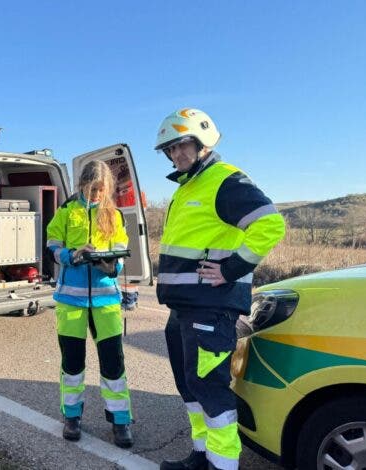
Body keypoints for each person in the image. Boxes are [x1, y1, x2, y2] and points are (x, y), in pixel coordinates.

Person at [154, 109, 285, 470]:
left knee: (211, 392)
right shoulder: (188, 186)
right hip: (184, 308)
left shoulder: (224, 180)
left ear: (202, 142)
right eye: (170, 149)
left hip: (211, 308)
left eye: (182, 145)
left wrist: (231, 269)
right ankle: (201, 456)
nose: (176, 154)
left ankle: (222, 465)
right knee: (191, 389)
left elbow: (270, 225)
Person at [46, 160, 134, 448]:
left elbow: (120, 250)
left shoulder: (114, 214)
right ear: (82, 184)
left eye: (102, 189)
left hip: (106, 298)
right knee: (72, 363)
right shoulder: (66, 211)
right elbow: (52, 246)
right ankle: (72, 416)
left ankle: (121, 422)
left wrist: (112, 266)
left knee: (113, 363)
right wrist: (72, 255)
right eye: (92, 188)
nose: (97, 194)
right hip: (70, 300)